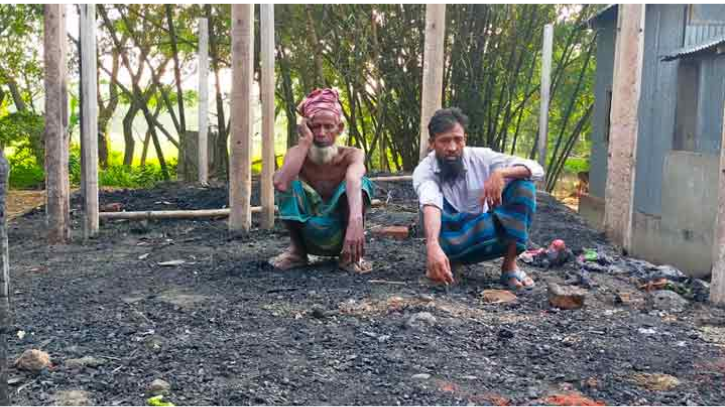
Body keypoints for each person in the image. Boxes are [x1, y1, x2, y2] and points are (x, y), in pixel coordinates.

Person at [413, 108, 544, 289]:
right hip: (453, 237)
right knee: (430, 218)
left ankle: (509, 266)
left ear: (464, 139)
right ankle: (447, 262)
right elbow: (431, 205)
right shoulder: (424, 171)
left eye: (457, 140)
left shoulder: (482, 157)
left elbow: (536, 169)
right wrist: (432, 245)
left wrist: (501, 173)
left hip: (486, 231)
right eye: (444, 141)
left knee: (524, 187)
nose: (452, 148)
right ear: (432, 143)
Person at [269, 88, 374, 274]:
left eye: (328, 126)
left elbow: (353, 178)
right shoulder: (297, 154)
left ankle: (349, 256)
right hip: (308, 231)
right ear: (306, 127)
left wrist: (356, 222)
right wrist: (304, 142)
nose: (321, 133)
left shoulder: (352, 154)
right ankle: (297, 252)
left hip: (346, 233)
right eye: (315, 126)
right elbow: (281, 184)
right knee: (288, 177)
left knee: (362, 184)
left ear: (339, 128)